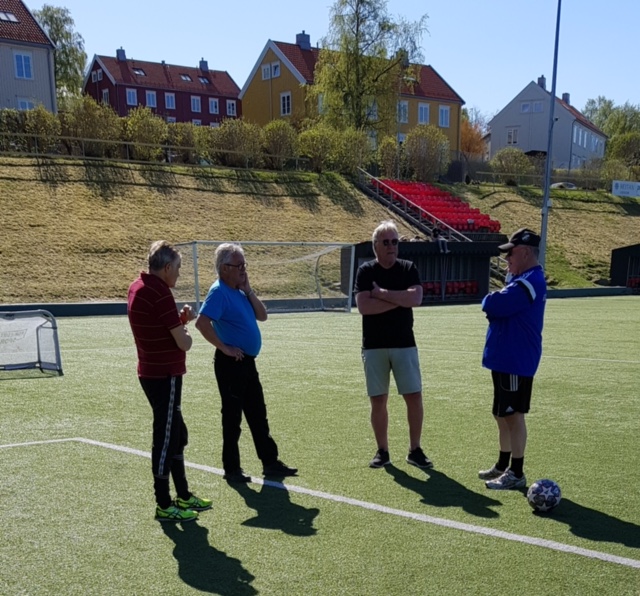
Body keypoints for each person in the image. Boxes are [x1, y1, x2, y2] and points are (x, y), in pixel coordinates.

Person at [195, 243, 297, 483]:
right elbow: (202, 323)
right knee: (233, 418)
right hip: (231, 364)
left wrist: (249, 290)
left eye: (244, 264)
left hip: (247, 364)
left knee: (258, 413)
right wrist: (224, 347)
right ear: (224, 268)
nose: (243, 269)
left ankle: (270, 462)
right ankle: (232, 469)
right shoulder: (219, 291)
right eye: (238, 265)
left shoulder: (239, 291)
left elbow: (263, 315)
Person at [127, 240, 213, 522]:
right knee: (165, 439)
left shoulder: (138, 287)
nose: (179, 273)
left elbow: (158, 326)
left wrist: (178, 321)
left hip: (151, 372)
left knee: (177, 433)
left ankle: (183, 494)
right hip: (164, 375)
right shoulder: (160, 293)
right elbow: (184, 343)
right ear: (166, 268)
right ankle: (164, 503)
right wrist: (185, 329)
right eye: (177, 268)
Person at [354, 220, 433, 470]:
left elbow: (416, 298)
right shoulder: (366, 271)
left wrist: (382, 294)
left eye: (395, 242)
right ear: (375, 245)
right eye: (386, 242)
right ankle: (382, 451)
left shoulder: (408, 268)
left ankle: (415, 450)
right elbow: (364, 307)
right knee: (378, 400)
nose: (391, 246)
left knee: (414, 397)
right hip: (374, 346)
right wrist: (399, 298)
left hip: (404, 344)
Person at [479, 228, 547, 490]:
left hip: (515, 359)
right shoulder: (522, 280)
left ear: (526, 252)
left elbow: (493, 305)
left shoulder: (529, 282)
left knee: (513, 415)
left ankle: (516, 472)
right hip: (506, 358)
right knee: (501, 414)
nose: (507, 259)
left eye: (511, 254)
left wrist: (492, 302)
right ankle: (503, 464)